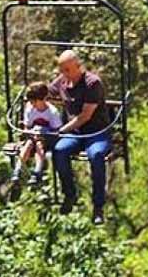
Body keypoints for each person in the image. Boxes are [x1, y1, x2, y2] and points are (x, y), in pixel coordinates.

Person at [50, 50, 111, 225]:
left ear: (78, 67)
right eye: (62, 70)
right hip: (76, 134)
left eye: (68, 70)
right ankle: (70, 194)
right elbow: (48, 91)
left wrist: (62, 130)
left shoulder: (93, 83)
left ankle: (98, 206)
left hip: (96, 132)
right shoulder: (62, 81)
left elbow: (85, 116)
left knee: (96, 156)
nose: (64, 74)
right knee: (60, 151)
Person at [10, 82, 62, 186]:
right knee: (29, 144)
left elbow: (57, 131)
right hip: (33, 136)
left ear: (41, 99)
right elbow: (27, 126)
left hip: (47, 138)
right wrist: (31, 132)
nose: (32, 103)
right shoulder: (30, 109)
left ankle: (37, 171)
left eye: (34, 101)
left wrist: (44, 133)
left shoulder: (52, 112)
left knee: (39, 144)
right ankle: (18, 169)